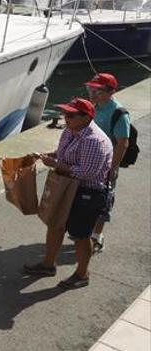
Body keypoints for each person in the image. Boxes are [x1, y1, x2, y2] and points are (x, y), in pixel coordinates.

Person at [24, 97, 113, 289]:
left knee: (80, 235)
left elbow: (87, 172)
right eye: (65, 113)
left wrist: (56, 165)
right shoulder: (71, 130)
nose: (66, 117)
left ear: (86, 117)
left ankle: (82, 274)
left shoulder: (94, 141)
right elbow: (63, 153)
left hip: (87, 192)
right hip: (67, 187)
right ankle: (48, 265)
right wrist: (49, 155)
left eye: (71, 115)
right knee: (55, 224)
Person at [85, 73, 132, 252]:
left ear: (112, 91)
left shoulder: (118, 112)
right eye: (91, 89)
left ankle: (97, 235)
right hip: (91, 160)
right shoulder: (93, 107)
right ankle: (85, 230)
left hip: (106, 164)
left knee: (103, 200)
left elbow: (123, 142)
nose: (93, 93)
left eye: (98, 90)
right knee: (87, 196)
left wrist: (113, 167)